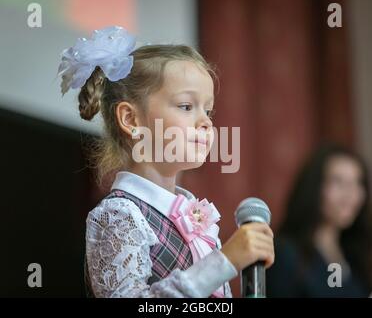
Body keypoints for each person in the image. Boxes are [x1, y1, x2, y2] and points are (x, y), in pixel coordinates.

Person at [57, 26, 274, 298]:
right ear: (131, 119)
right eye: (186, 106)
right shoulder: (120, 215)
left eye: (208, 110)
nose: (206, 122)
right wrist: (224, 262)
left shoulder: (198, 221)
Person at [267, 144, 372, 297]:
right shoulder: (286, 253)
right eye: (338, 182)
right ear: (315, 187)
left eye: (357, 183)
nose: (351, 194)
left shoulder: (356, 255)